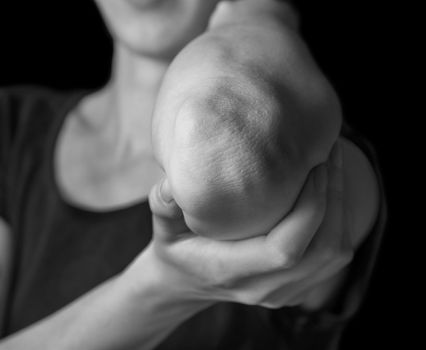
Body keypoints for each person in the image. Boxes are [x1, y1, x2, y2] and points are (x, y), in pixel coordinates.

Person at [0, 0, 386, 349]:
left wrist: (259, 11)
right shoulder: (12, 127)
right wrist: (161, 287)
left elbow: (221, 129)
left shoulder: (317, 159)